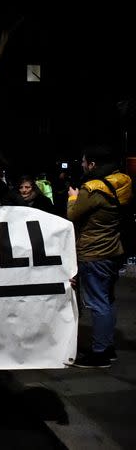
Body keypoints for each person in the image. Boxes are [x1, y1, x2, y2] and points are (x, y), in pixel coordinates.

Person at [67, 145, 132, 368]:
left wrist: (74, 198)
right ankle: (107, 346)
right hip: (113, 250)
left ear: (93, 164)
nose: (82, 165)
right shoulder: (121, 183)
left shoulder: (93, 188)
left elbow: (72, 214)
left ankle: (100, 353)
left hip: (94, 253)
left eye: (84, 161)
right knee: (107, 300)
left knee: (97, 303)